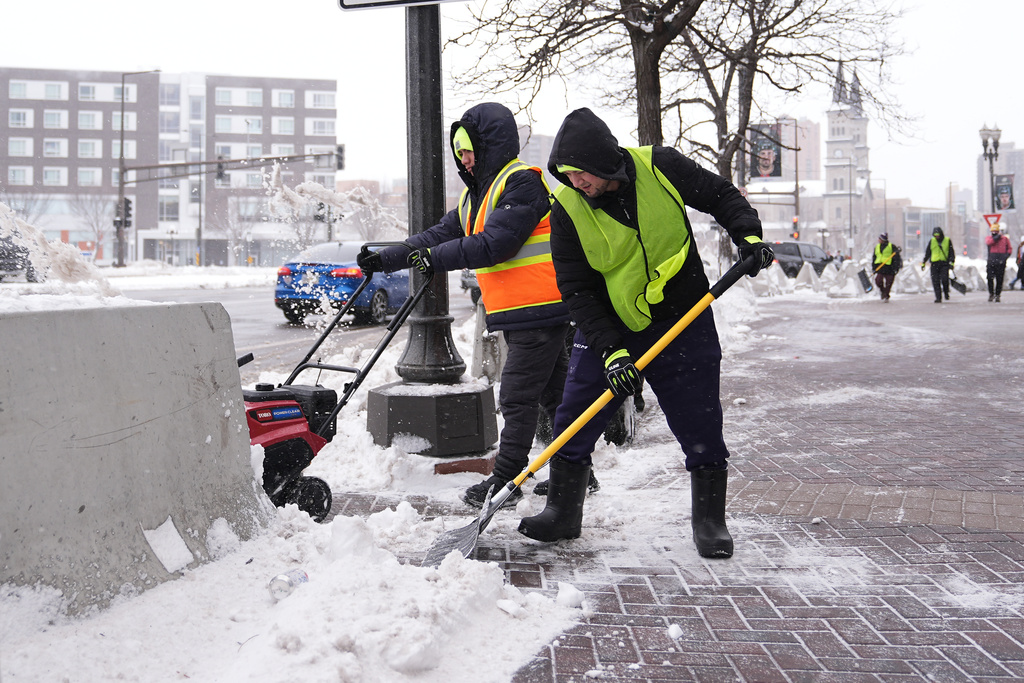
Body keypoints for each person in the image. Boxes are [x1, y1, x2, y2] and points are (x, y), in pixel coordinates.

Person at [517, 107, 773, 559]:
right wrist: (612, 351)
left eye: (580, 173)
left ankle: (710, 520)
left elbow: (719, 194)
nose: (576, 182)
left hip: (684, 317)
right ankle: (562, 511)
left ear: (601, 161)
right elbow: (576, 288)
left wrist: (747, 235)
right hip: (611, 323)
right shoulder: (567, 209)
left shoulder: (661, 166)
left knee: (699, 418)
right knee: (575, 415)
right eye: (568, 175)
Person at [357, 102, 572, 509]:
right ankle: (576, 470)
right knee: (555, 396)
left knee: (516, 397)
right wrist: (387, 258)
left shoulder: (522, 184)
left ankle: (506, 481)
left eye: (468, 149)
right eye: (458, 152)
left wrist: (432, 259)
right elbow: (436, 236)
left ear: (490, 145)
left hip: (539, 310)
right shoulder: (477, 198)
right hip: (526, 312)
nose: (464, 159)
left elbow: (496, 245)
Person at [921, 227, 954, 303]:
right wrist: (924, 262)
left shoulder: (947, 240)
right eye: (935, 235)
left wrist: (952, 263)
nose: (937, 236)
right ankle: (938, 297)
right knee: (935, 281)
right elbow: (928, 252)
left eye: (938, 235)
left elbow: (951, 252)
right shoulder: (932, 241)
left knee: (944, 279)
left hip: (944, 264)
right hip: (934, 264)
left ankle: (946, 292)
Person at [985, 224, 1013, 302]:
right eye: (993, 231)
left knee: (999, 279)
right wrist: (996, 238)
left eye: (996, 231)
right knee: (990, 278)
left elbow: (1009, 249)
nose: (994, 233)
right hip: (991, 262)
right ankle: (991, 293)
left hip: (1001, 263)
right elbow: (989, 242)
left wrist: (1005, 256)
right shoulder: (989, 238)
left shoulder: (1005, 239)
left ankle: (997, 295)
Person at [871, 232, 902, 301]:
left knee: (889, 283)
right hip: (880, 267)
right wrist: (874, 267)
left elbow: (897, 258)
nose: (878, 240)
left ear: (883, 239)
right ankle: (883, 292)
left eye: (880, 239)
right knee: (878, 281)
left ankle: (886, 295)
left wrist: (896, 267)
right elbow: (874, 257)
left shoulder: (892, 246)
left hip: (890, 268)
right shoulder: (877, 247)